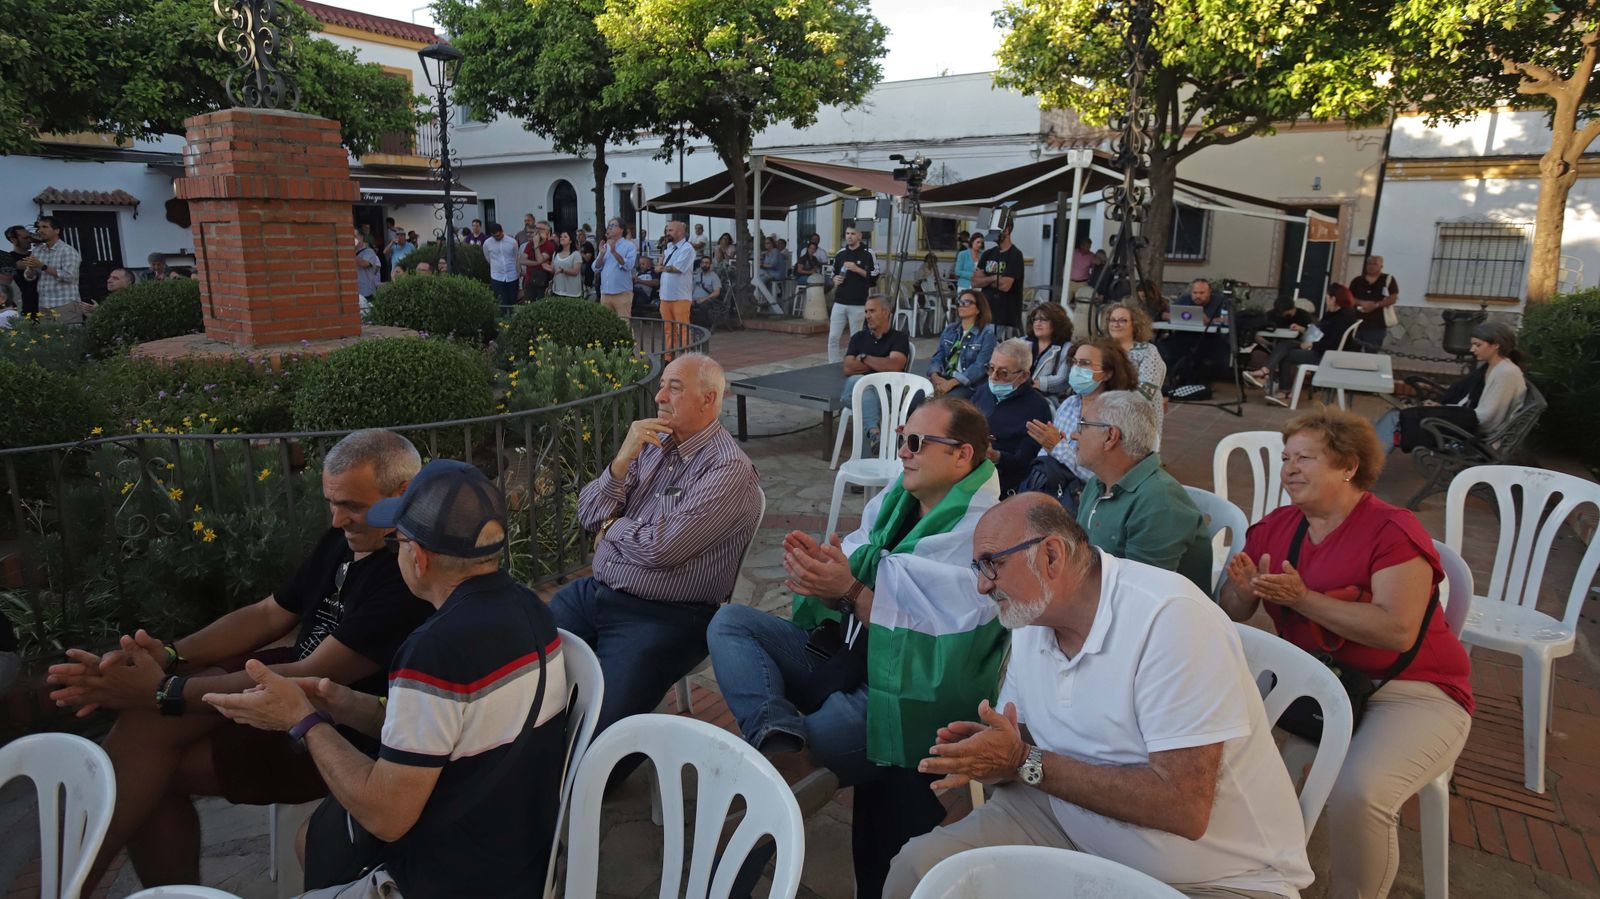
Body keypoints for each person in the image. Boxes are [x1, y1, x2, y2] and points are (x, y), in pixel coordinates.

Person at [45, 431, 434, 890]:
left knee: (145, 765)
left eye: (351, 504)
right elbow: (270, 612)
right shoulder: (348, 538)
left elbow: (311, 675)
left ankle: (69, 887)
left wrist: (163, 691)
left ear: (402, 495)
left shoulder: (405, 571)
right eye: (331, 502)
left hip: (328, 732)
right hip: (274, 693)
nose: (336, 518)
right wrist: (172, 654)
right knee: (145, 735)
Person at [884, 494, 1314, 899]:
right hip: (1067, 818)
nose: (981, 586)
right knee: (919, 872)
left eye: (990, 564)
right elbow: (1025, 746)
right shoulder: (1031, 618)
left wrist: (1022, 761)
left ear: (1051, 555)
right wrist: (993, 753)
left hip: (1213, 877)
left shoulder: (1169, 620)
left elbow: (1183, 807)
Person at [208, 459, 569, 899]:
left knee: (328, 835)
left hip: (448, 880)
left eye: (397, 541)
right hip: (519, 852)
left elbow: (386, 815)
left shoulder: (434, 651)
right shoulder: (529, 608)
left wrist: (301, 719)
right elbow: (457, 728)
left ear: (417, 557)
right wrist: (347, 705)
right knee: (314, 836)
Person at [707, 397, 1008, 899]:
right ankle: (779, 738)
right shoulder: (898, 498)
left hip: (903, 693)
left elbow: (937, 639)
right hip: (851, 655)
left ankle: (721, 880)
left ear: (963, 456)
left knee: (760, 788)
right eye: (901, 439)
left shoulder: (982, 535)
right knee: (730, 621)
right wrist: (824, 572)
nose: (904, 453)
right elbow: (859, 554)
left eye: (917, 442)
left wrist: (847, 588)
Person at [1219, 407, 1473, 899]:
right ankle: (1244, 879)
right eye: (1286, 457)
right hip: (1317, 685)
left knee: (1358, 794)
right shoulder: (1276, 526)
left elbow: (1396, 630)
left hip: (1412, 691)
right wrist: (1244, 590)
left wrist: (1302, 599)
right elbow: (1232, 611)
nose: (1289, 468)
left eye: (1306, 458)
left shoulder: (1392, 530)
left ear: (1349, 466)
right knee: (1224, 756)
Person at [551, 354, 761, 736]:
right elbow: (586, 513)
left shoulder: (727, 470)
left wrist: (611, 527)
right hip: (597, 592)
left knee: (598, 735)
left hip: (666, 615)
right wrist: (619, 463)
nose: (660, 396)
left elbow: (662, 548)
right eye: (662, 385)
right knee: (524, 672)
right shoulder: (650, 443)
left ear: (709, 399)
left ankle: (573, 783)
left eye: (675, 388)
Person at [1074, 391, 1211, 590]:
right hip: (1104, 598)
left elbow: (1140, 595)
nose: (1073, 434)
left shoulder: (1160, 504)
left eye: (1083, 426)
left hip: (1156, 616)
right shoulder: (1098, 483)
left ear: (1110, 436)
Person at [1020, 338, 1139, 511]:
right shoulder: (1070, 403)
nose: (1076, 369)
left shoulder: (1118, 413)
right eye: (1074, 363)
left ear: (1107, 373)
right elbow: (1046, 455)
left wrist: (1057, 448)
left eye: (1085, 364)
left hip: (1091, 502)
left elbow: (1103, 477)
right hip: (1054, 490)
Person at [1379, 320, 1528, 452]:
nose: (1472, 349)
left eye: (1478, 345)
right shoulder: (1493, 368)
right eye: (1472, 344)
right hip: (1464, 425)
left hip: (1471, 435)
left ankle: (1366, 465)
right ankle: (1366, 463)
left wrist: (1443, 411)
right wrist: (1441, 408)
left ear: (1496, 345)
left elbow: (1486, 419)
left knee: (1396, 417)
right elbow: (1469, 405)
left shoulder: (1506, 374)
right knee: (1398, 413)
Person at [972, 338, 1054, 495]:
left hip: (1003, 482)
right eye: (990, 368)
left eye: (1003, 373)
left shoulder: (1036, 408)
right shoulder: (983, 391)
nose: (994, 377)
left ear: (1023, 376)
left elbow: (1027, 463)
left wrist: (996, 456)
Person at [1260, 283, 1361, 406]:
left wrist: (1311, 345)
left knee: (1287, 356)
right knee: (1285, 344)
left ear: (1333, 299)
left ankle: (1284, 392)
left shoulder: (1345, 316)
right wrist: (1304, 332)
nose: (1325, 300)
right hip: (1319, 348)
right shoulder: (1332, 313)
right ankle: (1264, 371)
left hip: (1326, 355)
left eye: (1327, 297)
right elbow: (1319, 332)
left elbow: (1334, 343)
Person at [839, 295, 912, 453]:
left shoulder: (898, 338)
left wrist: (864, 358)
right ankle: (874, 432)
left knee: (863, 384)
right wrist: (880, 364)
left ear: (886, 313)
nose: (867, 315)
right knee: (858, 381)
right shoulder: (858, 338)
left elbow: (894, 366)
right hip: (852, 394)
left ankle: (872, 436)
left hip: (887, 396)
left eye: (872, 311)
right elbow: (847, 368)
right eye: (866, 311)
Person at [1104, 301, 1167, 447]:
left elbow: (1146, 390)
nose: (1116, 324)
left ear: (1135, 324)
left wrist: (1117, 408)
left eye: (1123, 320)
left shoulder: (1148, 350)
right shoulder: (1103, 349)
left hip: (1139, 413)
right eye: (1112, 320)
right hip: (1106, 410)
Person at [927, 288, 996, 400]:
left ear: (978, 309)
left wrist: (950, 384)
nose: (961, 305)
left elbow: (979, 367)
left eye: (967, 302)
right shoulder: (950, 329)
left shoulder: (987, 334)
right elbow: (938, 356)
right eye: (960, 302)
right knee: (915, 398)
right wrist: (935, 377)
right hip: (944, 378)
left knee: (945, 403)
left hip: (967, 385)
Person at [1157, 278, 1229, 375]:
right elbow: (1164, 314)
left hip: (1210, 339)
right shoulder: (1184, 299)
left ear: (1209, 292)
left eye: (1201, 293)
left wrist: (1209, 321)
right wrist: (1172, 316)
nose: (1198, 296)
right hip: (1183, 336)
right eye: (1195, 293)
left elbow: (1227, 319)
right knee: (1164, 346)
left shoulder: (1220, 301)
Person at [18, 216, 84, 323]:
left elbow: (69, 277)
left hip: (65, 304)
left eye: (45, 227)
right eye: (39, 227)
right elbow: (29, 277)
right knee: (49, 338)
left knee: (69, 338)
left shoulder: (68, 251)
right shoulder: (37, 251)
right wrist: (31, 268)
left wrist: (43, 266)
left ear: (57, 230)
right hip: (44, 305)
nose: (40, 230)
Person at [830, 227, 879, 363]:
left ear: (859, 235)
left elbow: (874, 277)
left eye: (853, 234)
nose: (849, 236)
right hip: (839, 302)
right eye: (847, 233)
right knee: (833, 337)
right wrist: (835, 279)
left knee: (855, 337)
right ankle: (832, 363)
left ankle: (853, 363)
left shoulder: (868, 253)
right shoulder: (840, 253)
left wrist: (857, 269)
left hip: (858, 303)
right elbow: (833, 273)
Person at [1243, 295, 1314, 389]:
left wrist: (1301, 329)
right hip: (1271, 344)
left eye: (1288, 313)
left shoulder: (1304, 316)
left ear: (1293, 307)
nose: (1284, 316)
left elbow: (1313, 335)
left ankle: (1264, 375)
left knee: (1283, 346)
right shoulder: (1271, 315)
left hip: (1294, 344)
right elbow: (1257, 331)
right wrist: (1267, 342)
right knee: (1258, 354)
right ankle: (1272, 379)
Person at [973, 224, 1024, 335]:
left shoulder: (1015, 255)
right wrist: (994, 278)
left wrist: (985, 280)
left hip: (1005, 318)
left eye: (995, 230)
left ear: (1007, 230)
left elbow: (1005, 286)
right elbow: (975, 282)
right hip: (985, 314)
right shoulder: (988, 254)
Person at [657, 220, 695, 351]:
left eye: (670, 230)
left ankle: (686, 358)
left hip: (680, 297)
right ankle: (669, 357)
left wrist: (662, 268)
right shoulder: (669, 248)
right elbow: (664, 265)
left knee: (683, 329)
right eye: (667, 230)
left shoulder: (687, 248)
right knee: (668, 329)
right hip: (665, 296)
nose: (667, 233)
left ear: (680, 232)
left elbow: (678, 268)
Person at [1025, 302, 1074, 402]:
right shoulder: (1021, 342)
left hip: (1048, 400)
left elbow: (1063, 379)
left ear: (1057, 323)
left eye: (1043, 319)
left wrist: (1035, 384)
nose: (1038, 323)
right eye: (1035, 319)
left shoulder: (1067, 348)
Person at [1350, 255, 1399, 350]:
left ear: (1381, 266)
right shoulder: (1357, 280)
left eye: (1375, 264)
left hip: (1376, 325)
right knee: (1352, 353)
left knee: (1371, 354)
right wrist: (1361, 303)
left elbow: (1393, 298)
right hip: (1356, 323)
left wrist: (1376, 305)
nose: (1371, 266)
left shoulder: (1388, 280)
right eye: (1369, 263)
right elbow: (1350, 298)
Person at [593, 217, 639, 320]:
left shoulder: (629, 246)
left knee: (624, 324)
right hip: (605, 292)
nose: (609, 228)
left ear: (622, 229)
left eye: (613, 225)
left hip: (622, 292)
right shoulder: (605, 246)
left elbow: (629, 265)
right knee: (607, 325)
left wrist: (614, 252)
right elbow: (595, 268)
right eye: (609, 226)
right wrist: (601, 255)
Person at [482, 222, 521, 313]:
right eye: (494, 236)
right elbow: (488, 258)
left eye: (498, 235)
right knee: (501, 302)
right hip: (497, 276)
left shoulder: (512, 242)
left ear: (502, 232)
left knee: (512, 301)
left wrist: (518, 273)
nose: (497, 238)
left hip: (512, 275)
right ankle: (503, 321)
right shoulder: (487, 243)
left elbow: (516, 257)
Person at [6, 225, 40, 317]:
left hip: (43, 304)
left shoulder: (36, 254)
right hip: (25, 308)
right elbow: (22, 265)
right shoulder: (9, 259)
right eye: (25, 238)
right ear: (13, 240)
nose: (29, 240)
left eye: (30, 236)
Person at [520, 220, 555, 301]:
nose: (538, 231)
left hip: (542, 282)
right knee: (528, 304)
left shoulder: (550, 245)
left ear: (547, 232)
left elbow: (540, 259)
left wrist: (536, 245)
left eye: (541, 229)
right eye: (537, 228)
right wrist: (537, 263)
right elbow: (522, 260)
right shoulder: (530, 244)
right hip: (529, 280)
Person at [758, 236, 788, 313]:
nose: (766, 245)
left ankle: (764, 300)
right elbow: (766, 265)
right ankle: (767, 298)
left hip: (777, 273)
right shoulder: (767, 253)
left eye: (768, 243)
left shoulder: (775, 251)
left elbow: (772, 265)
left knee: (760, 280)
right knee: (760, 275)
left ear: (772, 244)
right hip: (770, 272)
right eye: (765, 243)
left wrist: (762, 265)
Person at [550, 231, 584, 298]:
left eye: (565, 237)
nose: (562, 238)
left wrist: (563, 270)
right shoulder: (555, 254)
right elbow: (553, 271)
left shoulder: (575, 254)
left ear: (570, 241)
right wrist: (548, 268)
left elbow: (575, 272)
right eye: (561, 237)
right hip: (557, 291)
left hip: (572, 293)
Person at [1068, 236, 1095, 300]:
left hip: (1082, 283)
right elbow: (1066, 264)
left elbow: (1095, 269)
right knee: (1066, 302)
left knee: (1082, 302)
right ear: (1081, 246)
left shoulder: (1092, 256)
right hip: (1070, 282)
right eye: (1087, 247)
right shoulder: (1073, 253)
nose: (1089, 248)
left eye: (1089, 247)